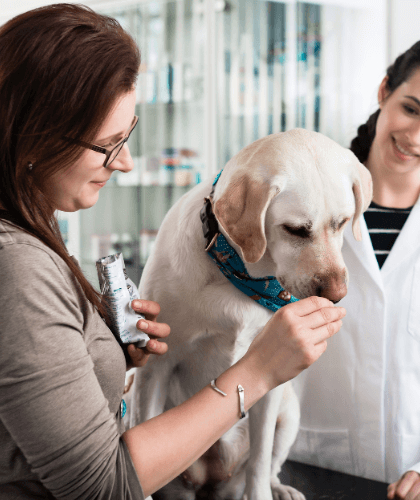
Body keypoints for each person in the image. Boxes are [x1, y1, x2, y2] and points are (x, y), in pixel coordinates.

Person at [0, 4, 346, 499]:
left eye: (129, 134)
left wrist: (103, 351)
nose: (125, 162)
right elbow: (105, 487)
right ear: (33, 135)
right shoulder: (17, 267)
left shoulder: (33, 231)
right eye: (107, 144)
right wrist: (259, 370)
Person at [289, 37, 420, 500]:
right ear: (384, 90)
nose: (416, 136)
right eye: (410, 108)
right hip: (316, 465)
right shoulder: (315, 197)